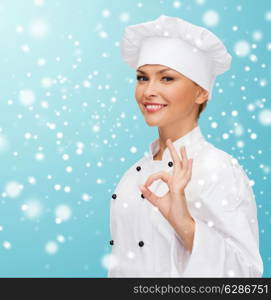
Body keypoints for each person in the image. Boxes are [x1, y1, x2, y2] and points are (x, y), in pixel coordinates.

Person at [107, 15, 263, 277]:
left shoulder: (216, 167)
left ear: (201, 92)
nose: (148, 91)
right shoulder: (131, 175)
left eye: (167, 79)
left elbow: (245, 275)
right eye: (142, 78)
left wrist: (184, 224)